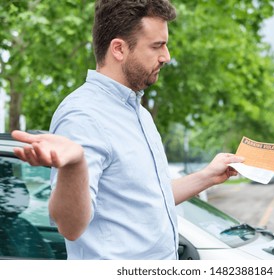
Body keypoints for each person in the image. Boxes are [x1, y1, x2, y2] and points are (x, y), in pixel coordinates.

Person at [11, 0, 244, 260]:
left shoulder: (139, 113)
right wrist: (74, 165)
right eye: (157, 46)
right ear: (119, 49)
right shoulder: (83, 116)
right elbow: (69, 226)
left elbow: (145, 199)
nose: (166, 56)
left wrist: (208, 176)